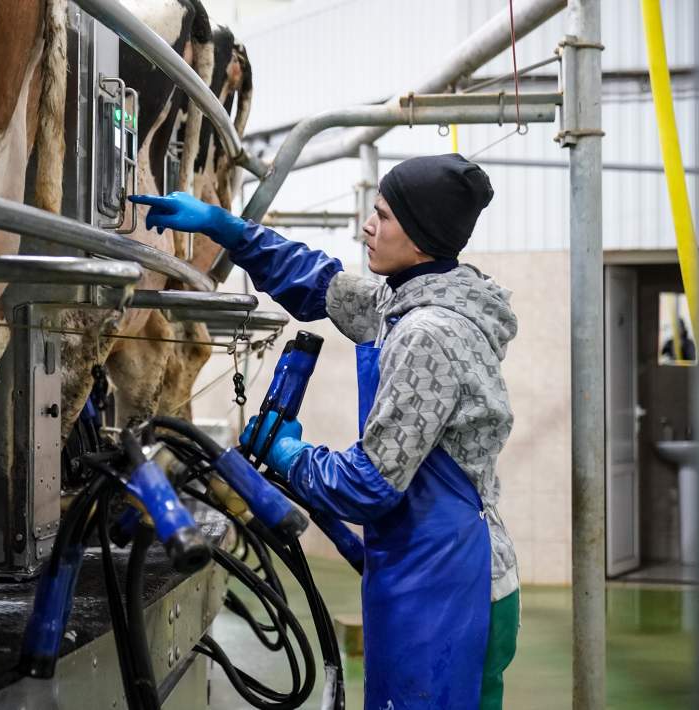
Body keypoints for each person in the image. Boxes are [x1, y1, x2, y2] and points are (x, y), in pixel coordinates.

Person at [131, 154, 520, 710]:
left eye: (383, 216)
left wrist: (290, 453)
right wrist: (225, 227)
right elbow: (319, 284)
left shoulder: (427, 333)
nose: (367, 225)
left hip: (449, 587)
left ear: (420, 237)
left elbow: (368, 485)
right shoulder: (407, 300)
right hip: (429, 565)